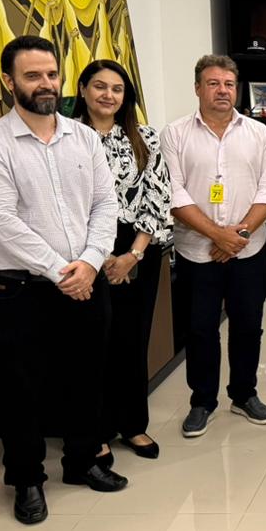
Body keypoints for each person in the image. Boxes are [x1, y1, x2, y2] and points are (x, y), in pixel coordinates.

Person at [0, 36, 126, 525]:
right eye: (32, 76)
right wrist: (61, 272)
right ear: (9, 81)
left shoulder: (84, 138)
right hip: (18, 291)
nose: (46, 83)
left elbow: (105, 204)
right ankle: (27, 478)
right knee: (20, 389)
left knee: (86, 377)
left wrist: (90, 263)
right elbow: (0, 224)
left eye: (51, 74)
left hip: (85, 279)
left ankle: (81, 461)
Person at [161, 55, 266, 438]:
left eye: (229, 84)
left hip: (248, 249)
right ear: (198, 88)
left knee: (248, 326)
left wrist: (235, 236)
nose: (222, 91)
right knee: (200, 329)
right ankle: (202, 401)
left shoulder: (258, 133)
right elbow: (174, 193)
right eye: (213, 83)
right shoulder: (175, 134)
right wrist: (217, 234)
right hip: (197, 252)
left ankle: (244, 394)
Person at [73, 59, 173, 461]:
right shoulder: (67, 137)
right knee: (92, 344)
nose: (108, 95)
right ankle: (95, 431)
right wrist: (99, 257)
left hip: (137, 246)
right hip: (84, 252)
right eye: (100, 86)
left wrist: (132, 254)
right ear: (83, 89)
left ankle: (132, 424)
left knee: (132, 340)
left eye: (117, 89)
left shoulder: (144, 137)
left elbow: (158, 195)